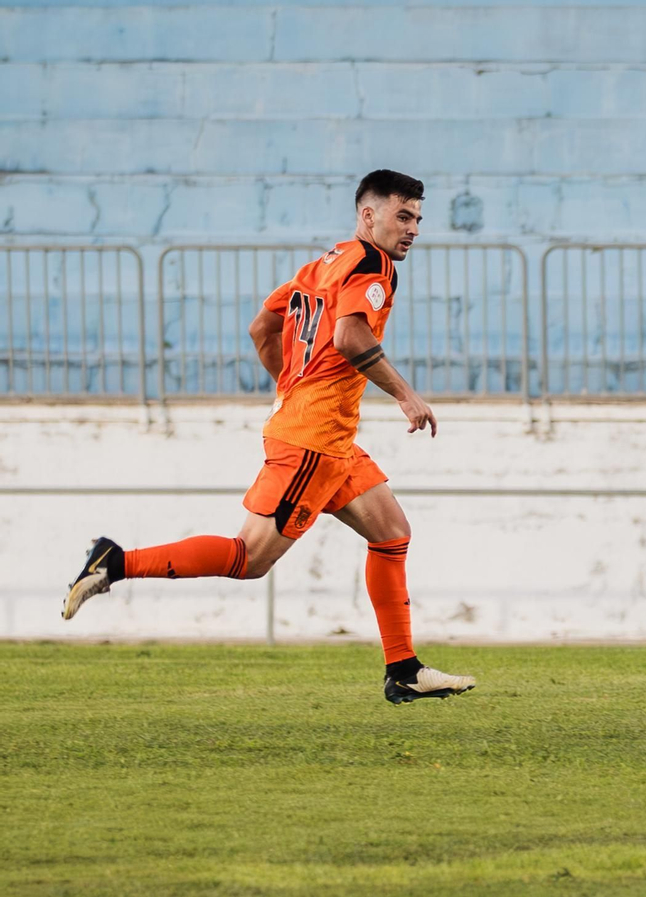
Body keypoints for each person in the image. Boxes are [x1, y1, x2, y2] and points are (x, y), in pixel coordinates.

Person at [63, 169, 476, 706]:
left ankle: (403, 669)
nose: (414, 228)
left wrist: (290, 382)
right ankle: (114, 561)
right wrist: (404, 394)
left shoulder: (320, 265)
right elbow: (352, 337)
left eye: (419, 218)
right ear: (368, 215)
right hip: (313, 441)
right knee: (249, 560)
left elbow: (263, 326)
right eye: (403, 215)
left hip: (329, 438)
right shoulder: (373, 266)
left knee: (392, 532)